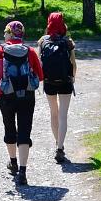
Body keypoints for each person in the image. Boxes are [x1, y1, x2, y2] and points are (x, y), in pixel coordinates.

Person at [0, 20, 43, 186]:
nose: (4, 35)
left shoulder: (0, 51)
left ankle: (13, 163)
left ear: (10, 33)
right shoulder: (30, 51)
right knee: (25, 131)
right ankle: (23, 172)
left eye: (5, 32)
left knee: (9, 128)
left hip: (7, 95)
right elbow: (40, 76)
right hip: (27, 95)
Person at [38, 12, 77, 164]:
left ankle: (58, 144)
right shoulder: (68, 42)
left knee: (53, 113)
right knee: (63, 115)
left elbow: (40, 63)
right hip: (65, 81)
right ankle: (60, 147)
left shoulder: (42, 41)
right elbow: (73, 63)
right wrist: (73, 78)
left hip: (49, 82)